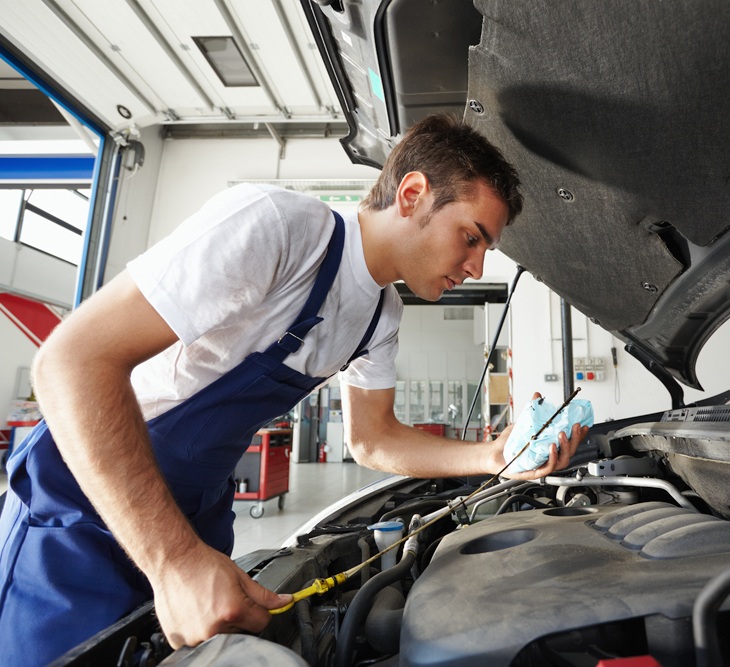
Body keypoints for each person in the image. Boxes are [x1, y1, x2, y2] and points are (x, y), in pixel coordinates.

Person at [0, 114, 588, 665]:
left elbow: (374, 441)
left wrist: (493, 458)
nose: (477, 267)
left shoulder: (378, 317)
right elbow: (71, 362)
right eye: (471, 237)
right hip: (86, 506)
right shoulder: (276, 228)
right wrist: (173, 561)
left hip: (195, 514)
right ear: (412, 196)